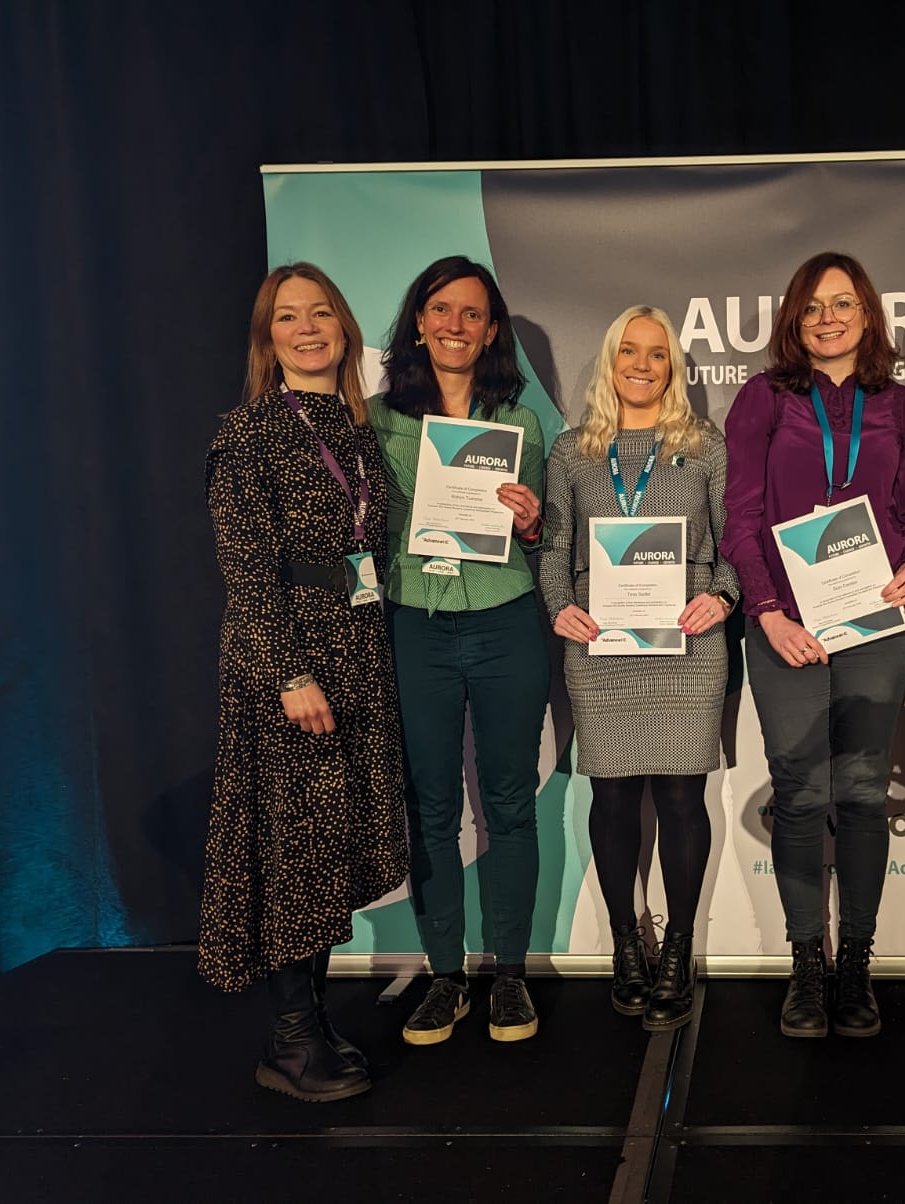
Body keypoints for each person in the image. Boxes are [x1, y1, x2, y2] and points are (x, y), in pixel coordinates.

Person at [199, 263, 409, 1102]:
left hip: (357, 651)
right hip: (290, 664)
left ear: (346, 328)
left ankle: (311, 1019)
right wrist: (289, 674)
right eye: (289, 317)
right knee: (296, 851)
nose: (309, 328)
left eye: (323, 312)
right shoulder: (246, 434)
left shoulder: (360, 431)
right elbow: (246, 575)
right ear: (268, 338)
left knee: (331, 849)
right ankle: (289, 1042)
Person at [723, 251, 905, 1039]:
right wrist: (769, 610)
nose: (828, 318)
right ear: (793, 320)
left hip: (874, 623)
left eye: (842, 303)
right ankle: (807, 966)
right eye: (812, 307)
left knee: (863, 791)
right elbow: (740, 514)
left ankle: (857, 966)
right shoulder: (764, 398)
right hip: (784, 622)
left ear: (868, 313)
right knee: (803, 794)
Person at [540, 305, 739, 1031]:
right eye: (630, 350)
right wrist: (559, 607)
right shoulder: (571, 452)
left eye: (658, 354)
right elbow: (553, 549)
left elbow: (734, 542)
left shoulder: (704, 447)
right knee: (616, 800)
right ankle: (628, 944)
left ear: (674, 368)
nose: (643, 364)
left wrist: (722, 596)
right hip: (601, 644)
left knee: (685, 803)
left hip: (687, 643)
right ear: (610, 360)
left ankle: (678, 949)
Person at [368, 256, 550, 1046]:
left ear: (492, 330)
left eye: (472, 314)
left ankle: (508, 974)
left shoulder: (521, 423)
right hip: (414, 623)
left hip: (506, 618)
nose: (455, 324)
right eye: (441, 309)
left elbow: (542, 539)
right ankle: (445, 977)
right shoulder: (372, 421)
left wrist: (532, 519)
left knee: (510, 803)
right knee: (431, 808)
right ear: (417, 321)